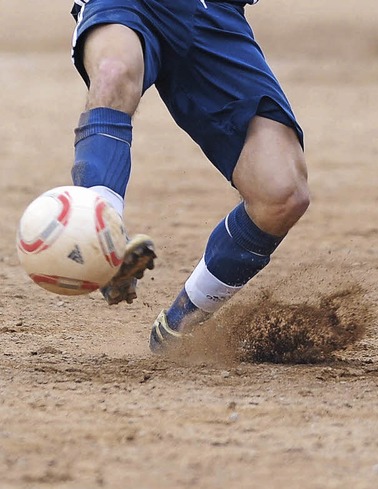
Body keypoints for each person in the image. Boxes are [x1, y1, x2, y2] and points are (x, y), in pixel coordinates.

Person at [69, 0, 310, 353]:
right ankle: (101, 240)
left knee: (283, 194)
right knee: (113, 72)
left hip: (215, 13)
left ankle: (180, 325)